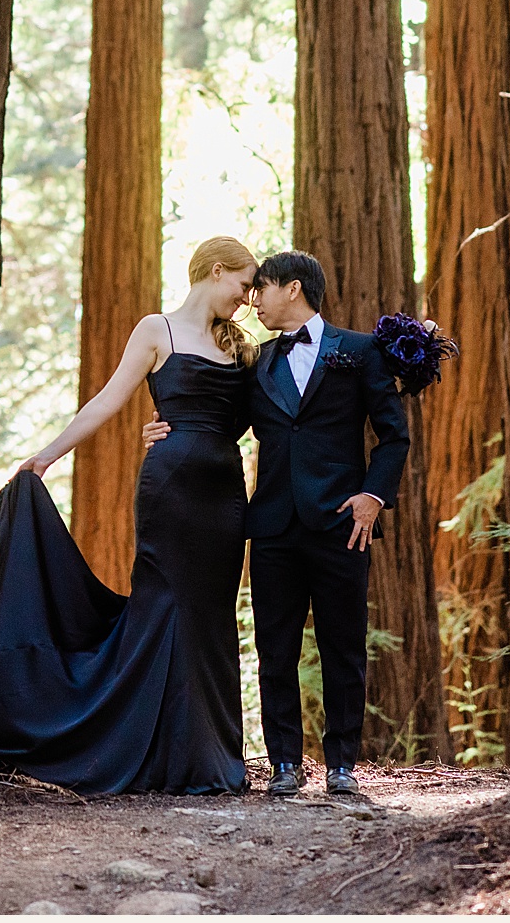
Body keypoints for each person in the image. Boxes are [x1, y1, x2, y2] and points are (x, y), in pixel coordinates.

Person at [0, 235, 259, 794]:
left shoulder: (242, 348)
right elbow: (108, 400)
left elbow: (263, 417)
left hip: (224, 500)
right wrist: (45, 456)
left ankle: (206, 756)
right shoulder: (155, 330)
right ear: (214, 270)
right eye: (244, 282)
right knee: (167, 607)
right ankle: (149, 750)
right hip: (169, 495)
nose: (248, 296)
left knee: (209, 616)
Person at [146, 248, 408, 797]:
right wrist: (168, 430)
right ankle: (286, 763)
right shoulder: (256, 363)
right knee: (275, 646)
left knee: (343, 644)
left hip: (344, 523)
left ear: (291, 289)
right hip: (270, 527)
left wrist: (374, 497)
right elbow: (219, 419)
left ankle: (341, 766)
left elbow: (393, 435)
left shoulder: (359, 352)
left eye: (259, 289)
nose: (251, 301)